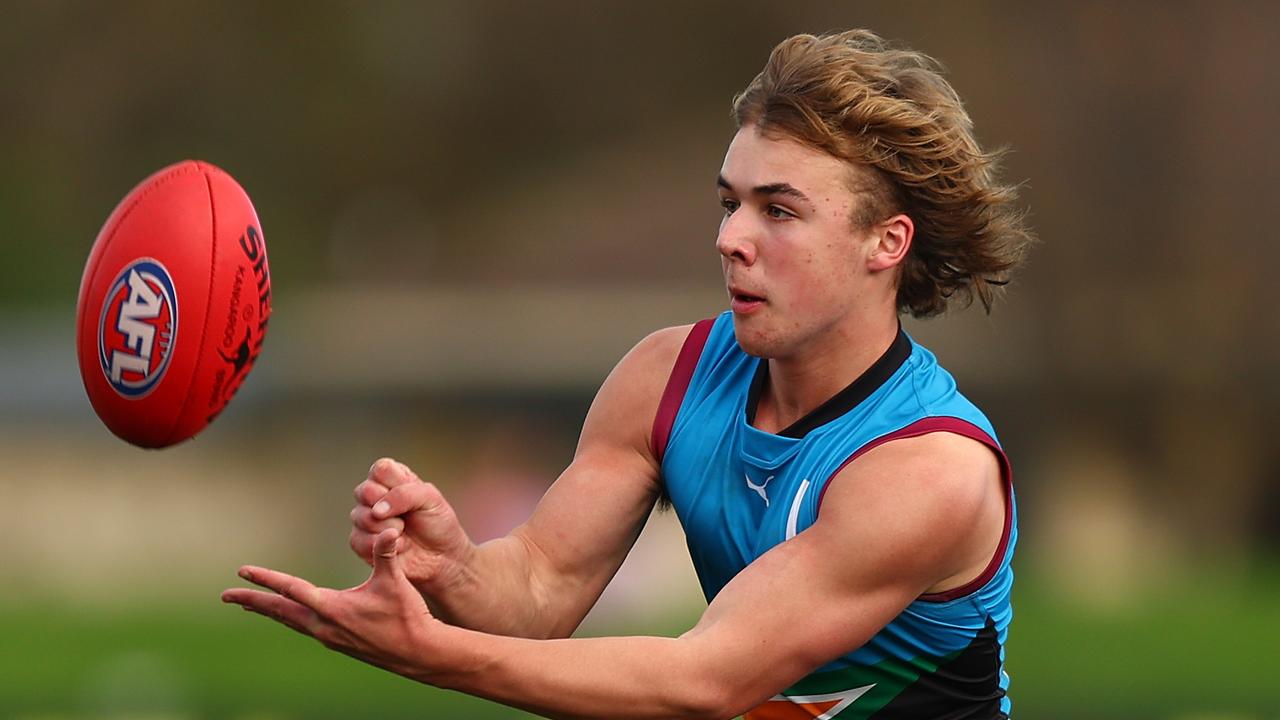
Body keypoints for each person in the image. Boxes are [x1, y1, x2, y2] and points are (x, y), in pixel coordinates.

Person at [223, 29, 1032, 719]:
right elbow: (540, 585)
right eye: (730, 203)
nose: (731, 239)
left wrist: (428, 652)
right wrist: (455, 569)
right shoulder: (666, 377)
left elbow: (704, 681)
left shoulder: (928, 470)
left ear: (885, 243)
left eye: (778, 211)